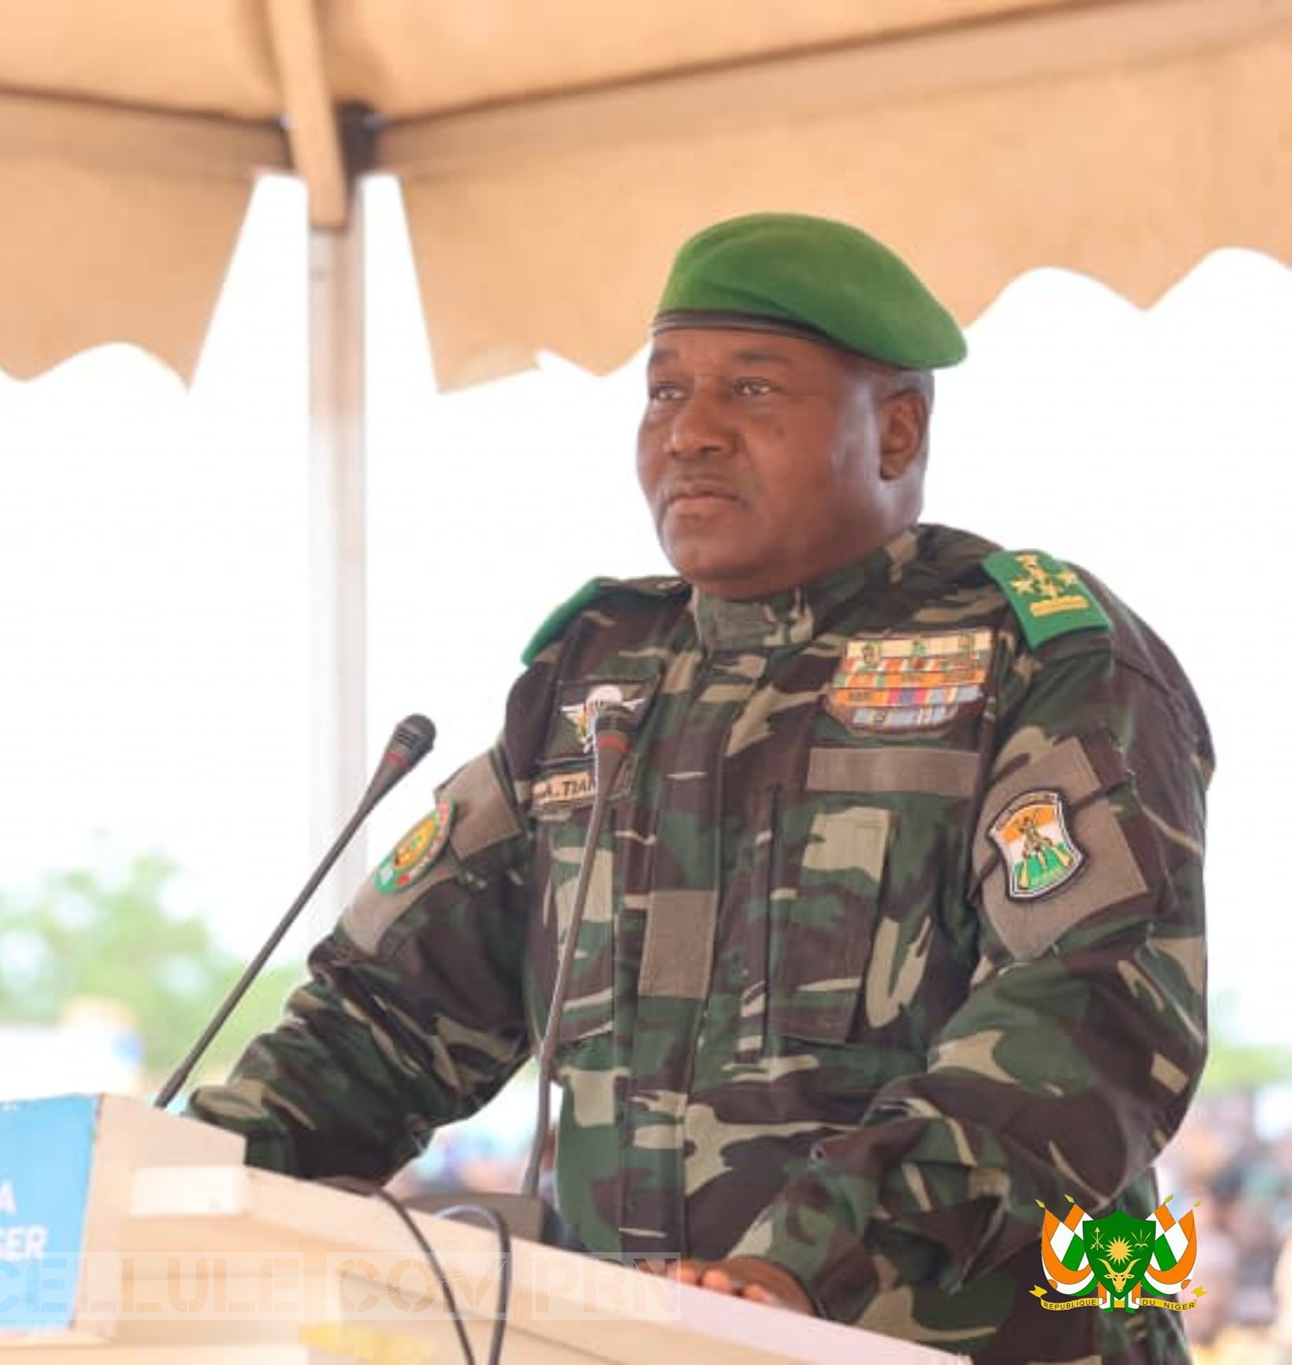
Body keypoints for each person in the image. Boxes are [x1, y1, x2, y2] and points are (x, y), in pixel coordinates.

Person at [184, 212, 1211, 1363]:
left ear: (895, 429)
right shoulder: (592, 683)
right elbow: (386, 1021)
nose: (691, 436)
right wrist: (172, 1183)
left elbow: (1088, 1016)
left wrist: (797, 1263)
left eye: (753, 392)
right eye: (664, 393)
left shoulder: (1036, 655)